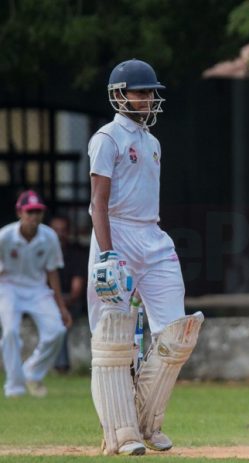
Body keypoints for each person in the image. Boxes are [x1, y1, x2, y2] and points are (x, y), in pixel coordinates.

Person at [87, 58, 203, 456]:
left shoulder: (153, 142)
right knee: (114, 336)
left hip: (152, 235)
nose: (149, 98)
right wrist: (107, 255)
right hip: (116, 232)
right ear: (119, 95)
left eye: (151, 92)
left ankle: (146, 422)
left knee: (177, 332)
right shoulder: (106, 138)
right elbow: (97, 203)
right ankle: (122, 432)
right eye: (141, 92)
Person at [0, 190, 72, 398]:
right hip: (8, 286)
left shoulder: (49, 237)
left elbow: (52, 272)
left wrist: (61, 307)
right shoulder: (4, 236)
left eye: (37, 212)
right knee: (10, 333)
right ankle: (15, 387)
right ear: (19, 213)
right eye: (29, 212)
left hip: (37, 288)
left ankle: (32, 372)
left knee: (57, 330)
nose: (34, 217)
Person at [50, 216, 88, 373]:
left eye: (62, 230)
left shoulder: (76, 255)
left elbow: (76, 290)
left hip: (70, 303)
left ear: (68, 232)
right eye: (55, 230)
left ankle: (61, 366)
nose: (59, 234)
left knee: (61, 319)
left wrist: (62, 303)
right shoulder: (42, 253)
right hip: (46, 301)